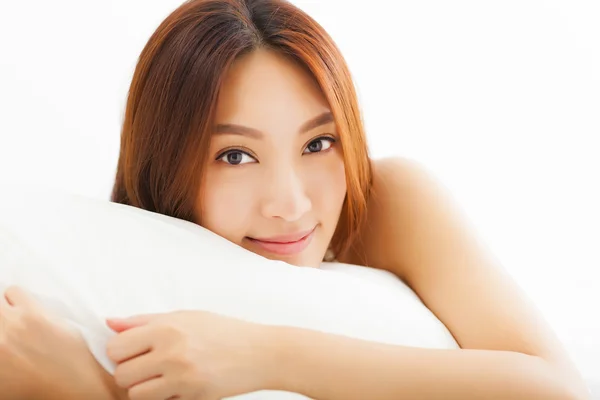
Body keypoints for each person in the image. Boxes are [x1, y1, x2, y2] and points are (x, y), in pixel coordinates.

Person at [0, 0, 590, 399]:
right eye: (235, 155)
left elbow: (555, 388)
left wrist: (265, 353)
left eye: (319, 142)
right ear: (165, 161)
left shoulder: (392, 203)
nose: (290, 203)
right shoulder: (117, 278)